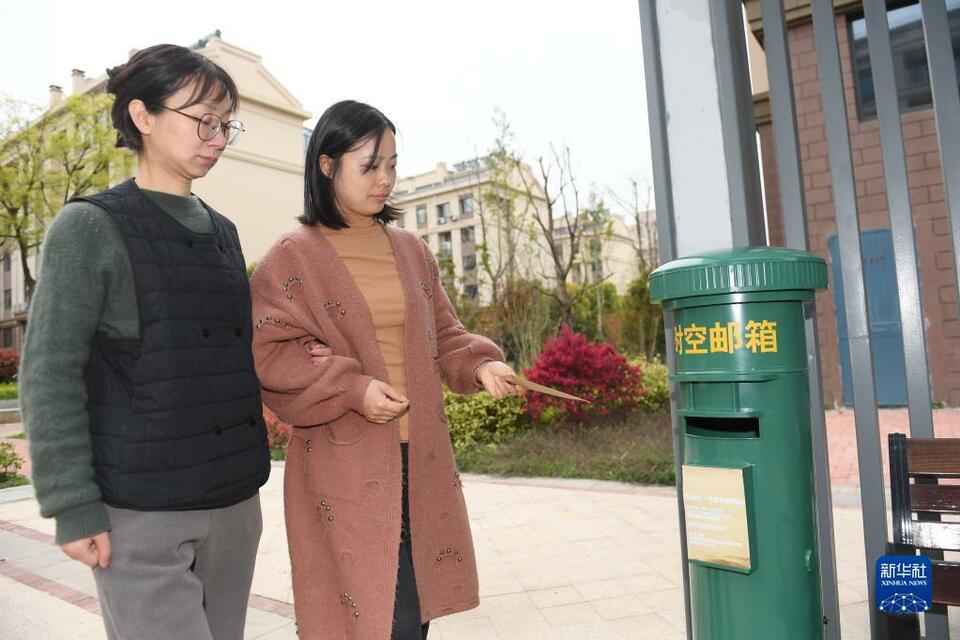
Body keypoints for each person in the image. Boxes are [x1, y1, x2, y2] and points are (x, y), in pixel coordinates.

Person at [20, 43, 270, 640]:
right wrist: (71, 504)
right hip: (141, 510)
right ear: (143, 116)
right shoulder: (89, 228)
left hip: (234, 505)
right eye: (202, 119)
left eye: (225, 124)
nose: (216, 136)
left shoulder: (225, 232)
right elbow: (50, 371)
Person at [250, 100, 522, 640]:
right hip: (343, 469)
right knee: (370, 621)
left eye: (393, 165)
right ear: (326, 166)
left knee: (411, 620)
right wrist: (352, 389)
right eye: (370, 165)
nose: (386, 180)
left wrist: (482, 364)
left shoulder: (411, 249)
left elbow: (445, 335)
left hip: (418, 465)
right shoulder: (292, 256)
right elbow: (270, 353)